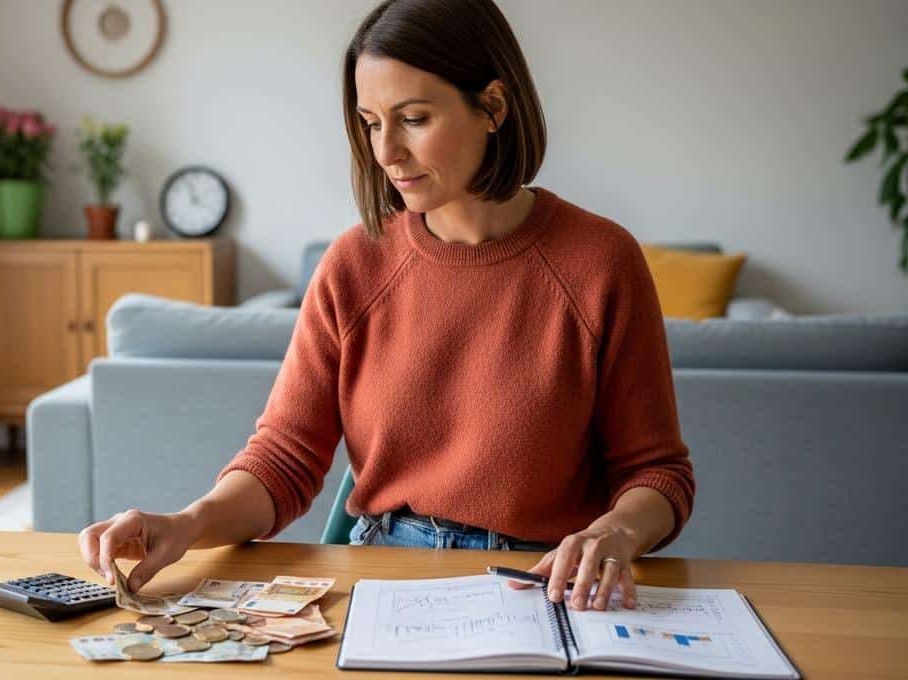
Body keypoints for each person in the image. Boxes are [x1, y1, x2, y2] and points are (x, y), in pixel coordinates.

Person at [78, 0, 694, 614]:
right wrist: (188, 522)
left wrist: (616, 532)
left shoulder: (601, 262)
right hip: (385, 575)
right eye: (371, 123)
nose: (387, 151)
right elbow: (284, 459)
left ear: (494, 108)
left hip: (546, 582)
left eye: (414, 118)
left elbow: (658, 473)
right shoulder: (354, 265)